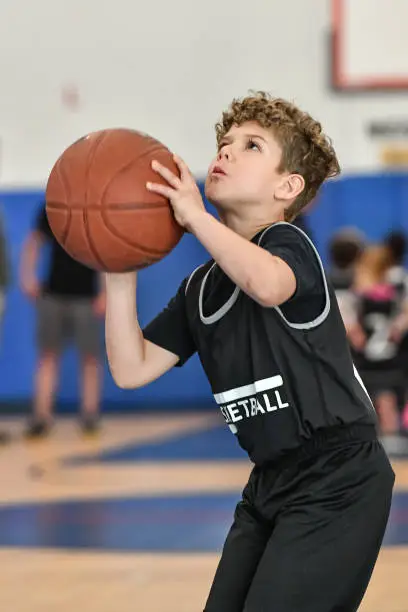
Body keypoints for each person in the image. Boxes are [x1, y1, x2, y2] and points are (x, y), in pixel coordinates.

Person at [105, 93, 394, 612]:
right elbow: (130, 368)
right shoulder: (200, 289)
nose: (227, 152)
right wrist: (118, 270)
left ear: (288, 187)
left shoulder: (290, 245)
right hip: (269, 481)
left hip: (340, 478)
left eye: (250, 145)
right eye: (223, 143)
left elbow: (268, 285)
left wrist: (193, 216)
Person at [20, 203, 105, 438]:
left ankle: (90, 415)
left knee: (89, 358)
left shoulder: (95, 207)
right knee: (47, 357)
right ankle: (41, 417)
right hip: (53, 294)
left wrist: (105, 293)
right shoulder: (51, 205)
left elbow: (107, 251)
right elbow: (34, 242)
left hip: (87, 296)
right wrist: (27, 277)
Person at [351, 245, 407, 435]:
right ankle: (389, 450)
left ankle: (386, 451)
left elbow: (353, 331)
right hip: (388, 360)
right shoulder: (396, 291)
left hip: (369, 361)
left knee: (374, 407)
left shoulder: (360, 293)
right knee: (386, 407)